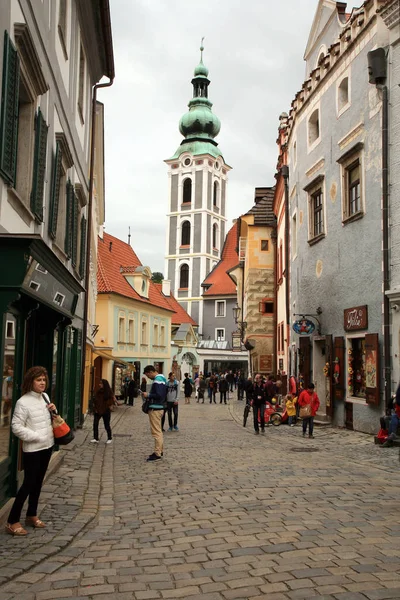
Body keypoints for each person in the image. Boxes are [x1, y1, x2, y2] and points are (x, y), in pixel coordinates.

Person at [5, 366, 56, 536]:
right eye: (38, 380)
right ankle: (12, 521)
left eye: (44, 380)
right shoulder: (23, 402)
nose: (42, 383)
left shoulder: (45, 397)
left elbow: (48, 420)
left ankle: (31, 514)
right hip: (33, 449)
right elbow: (16, 427)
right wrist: (36, 436)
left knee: (38, 482)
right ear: (31, 381)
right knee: (28, 484)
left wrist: (53, 411)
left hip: (47, 446)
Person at [142, 365, 167, 461]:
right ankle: (159, 450)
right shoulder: (161, 378)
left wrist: (148, 394)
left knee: (156, 432)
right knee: (158, 431)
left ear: (150, 372)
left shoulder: (158, 379)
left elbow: (159, 395)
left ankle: (157, 453)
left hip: (155, 408)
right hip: (159, 408)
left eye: (148, 375)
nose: (148, 377)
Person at [91, 379, 114, 444]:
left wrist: (108, 406)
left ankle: (109, 438)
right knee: (95, 424)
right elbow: (96, 400)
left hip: (106, 410)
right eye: (100, 383)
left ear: (104, 385)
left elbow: (110, 401)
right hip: (98, 410)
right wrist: (95, 408)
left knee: (106, 425)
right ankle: (96, 438)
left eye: (101, 383)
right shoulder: (98, 392)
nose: (99, 385)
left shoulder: (108, 392)